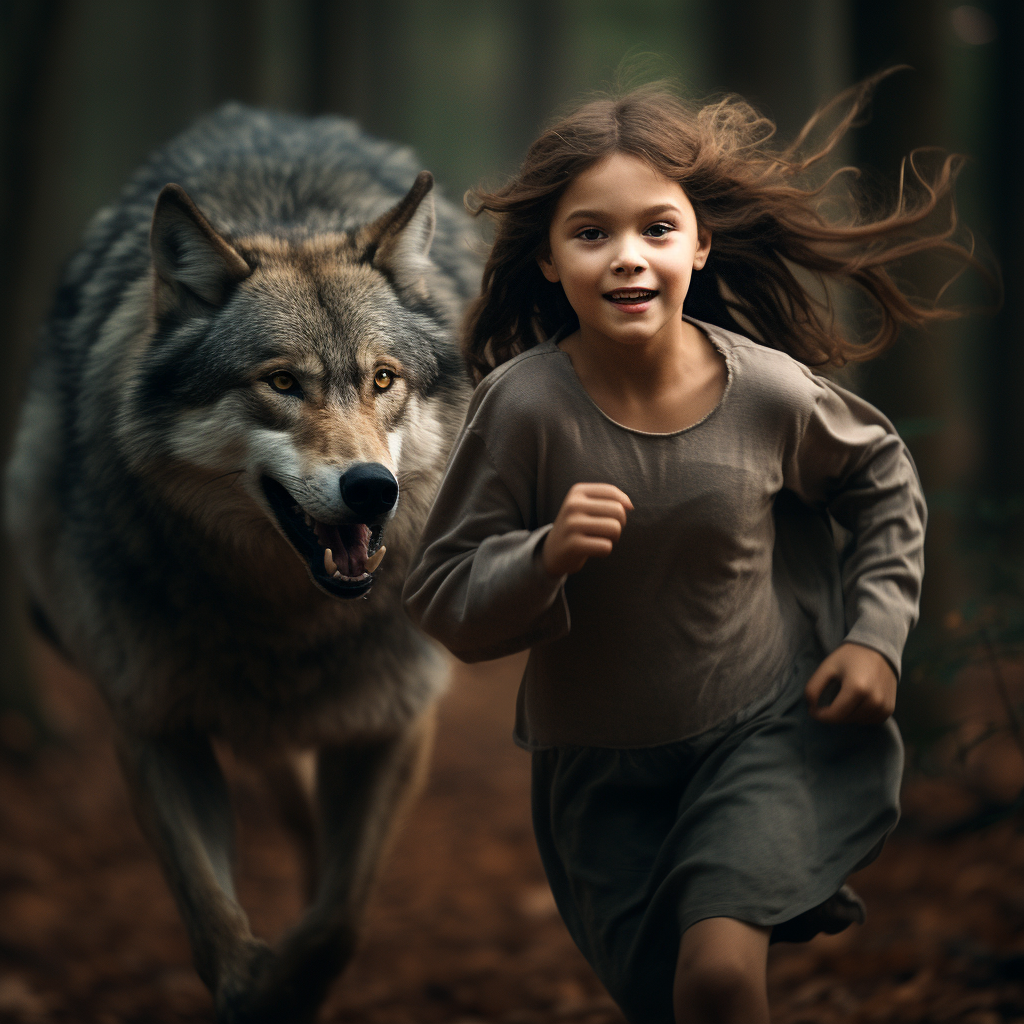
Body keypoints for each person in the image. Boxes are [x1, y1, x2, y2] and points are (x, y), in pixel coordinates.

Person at [403, 77, 982, 1024]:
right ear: (548, 260)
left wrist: (875, 636)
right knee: (673, 1004)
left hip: (761, 733)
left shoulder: (770, 395)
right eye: (591, 233)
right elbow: (443, 598)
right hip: (599, 776)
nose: (628, 257)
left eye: (657, 230)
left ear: (699, 244)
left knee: (716, 976)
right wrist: (542, 556)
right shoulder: (522, 408)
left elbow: (883, 482)